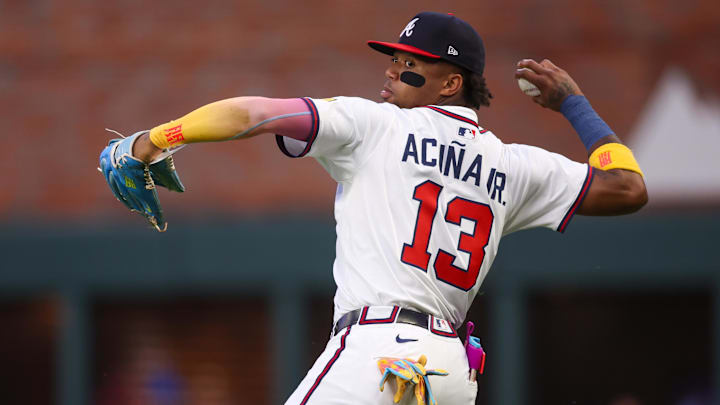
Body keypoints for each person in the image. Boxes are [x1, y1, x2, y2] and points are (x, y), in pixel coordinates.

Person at [101, 11, 647, 405]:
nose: (392, 71)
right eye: (394, 59)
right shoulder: (515, 165)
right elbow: (627, 187)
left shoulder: (374, 124)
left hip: (379, 354)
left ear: (451, 83)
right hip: (451, 374)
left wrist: (154, 140)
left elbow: (252, 113)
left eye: (412, 66)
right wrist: (574, 103)